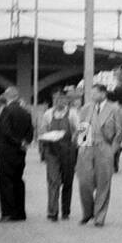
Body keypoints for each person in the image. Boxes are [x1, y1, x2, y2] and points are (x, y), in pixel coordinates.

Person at [76, 82, 121, 226]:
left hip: (104, 147)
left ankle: (99, 216)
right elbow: (82, 127)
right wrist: (81, 146)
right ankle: (87, 212)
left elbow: (119, 132)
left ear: (103, 93)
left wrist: (112, 150)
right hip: (87, 147)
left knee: (103, 183)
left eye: (95, 93)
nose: (92, 96)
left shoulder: (114, 109)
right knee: (84, 182)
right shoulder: (86, 108)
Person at [39, 88, 79, 221]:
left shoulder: (73, 114)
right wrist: (46, 137)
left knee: (67, 182)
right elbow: (42, 130)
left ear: (65, 100)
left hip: (68, 152)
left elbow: (81, 130)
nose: (57, 101)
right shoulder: (48, 114)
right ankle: (52, 212)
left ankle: (66, 211)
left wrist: (77, 141)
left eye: (60, 99)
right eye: (55, 99)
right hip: (52, 152)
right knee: (53, 181)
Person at [0, 86, 34, 221]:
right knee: (18, 180)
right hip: (20, 153)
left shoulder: (6, 110)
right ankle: (20, 212)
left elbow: (5, 131)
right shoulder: (26, 112)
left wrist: (17, 142)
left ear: (7, 96)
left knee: (6, 182)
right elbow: (30, 132)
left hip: (6, 151)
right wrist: (24, 143)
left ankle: (8, 213)